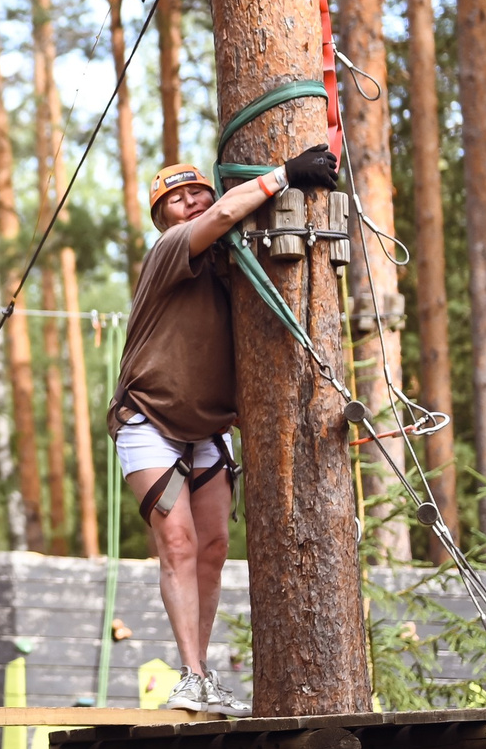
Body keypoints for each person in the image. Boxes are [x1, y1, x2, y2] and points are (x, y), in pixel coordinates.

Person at [108, 145, 338, 716]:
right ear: (162, 220)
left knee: (212, 548)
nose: (189, 204)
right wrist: (284, 173)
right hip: (147, 417)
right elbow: (221, 217)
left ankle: (204, 674)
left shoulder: (233, 270)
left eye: (195, 192)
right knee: (178, 542)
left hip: (207, 427)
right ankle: (189, 674)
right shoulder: (168, 251)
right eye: (174, 201)